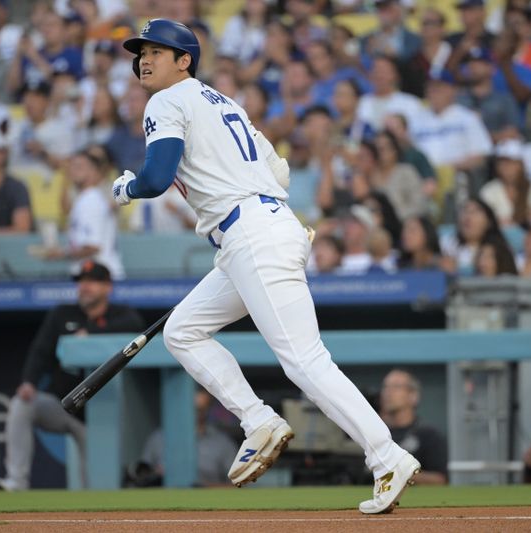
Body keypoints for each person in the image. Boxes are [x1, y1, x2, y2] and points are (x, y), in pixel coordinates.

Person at [112, 19, 420, 514]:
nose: (144, 59)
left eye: (156, 50)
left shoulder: (167, 100)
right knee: (184, 330)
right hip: (260, 230)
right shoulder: (223, 102)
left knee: (304, 359)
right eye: (141, 51)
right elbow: (279, 169)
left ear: (184, 60)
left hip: (251, 234)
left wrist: (126, 188)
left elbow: (156, 177)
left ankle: (386, 456)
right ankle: (258, 420)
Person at [0, 260, 145, 491]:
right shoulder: (62, 314)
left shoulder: (121, 314)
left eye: (92, 281)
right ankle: (16, 481)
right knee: (21, 405)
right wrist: (29, 382)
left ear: (107, 287)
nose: (85, 286)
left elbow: (136, 326)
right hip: (62, 405)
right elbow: (40, 351)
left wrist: (91, 333)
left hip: (100, 415)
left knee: (95, 488)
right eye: (82, 281)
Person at [131, 388, 239, 487]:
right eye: (192, 408)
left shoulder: (223, 443)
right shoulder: (159, 437)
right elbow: (141, 476)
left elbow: (237, 484)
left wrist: (205, 487)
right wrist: (156, 474)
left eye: (201, 409)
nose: (196, 414)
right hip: (164, 498)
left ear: (208, 409)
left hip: (208, 500)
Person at [44, 150, 124, 279]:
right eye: (72, 166)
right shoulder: (85, 199)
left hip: (99, 277)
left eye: (79, 167)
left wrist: (61, 254)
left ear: (94, 171)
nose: (72, 171)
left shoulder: (91, 200)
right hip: (94, 276)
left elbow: (92, 247)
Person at [378, 369, 448, 485]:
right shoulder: (377, 434)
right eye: (385, 387)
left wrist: (399, 473)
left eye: (396, 387)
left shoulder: (428, 435)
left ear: (413, 396)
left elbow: (440, 479)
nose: (388, 392)